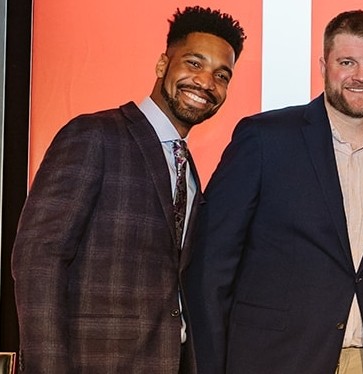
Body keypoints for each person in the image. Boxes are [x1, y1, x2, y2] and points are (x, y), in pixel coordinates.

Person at [184, 9, 363, 374]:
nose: (361, 76)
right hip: (272, 360)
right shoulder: (265, 138)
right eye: (347, 62)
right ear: (323, 66)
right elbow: (211, 262)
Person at [11, 6, 245, 373]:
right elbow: (39, 259)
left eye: (221, 75)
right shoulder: (94, 135)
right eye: (194, 63)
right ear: (162, 64)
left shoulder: (188, 170)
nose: (206, 82)